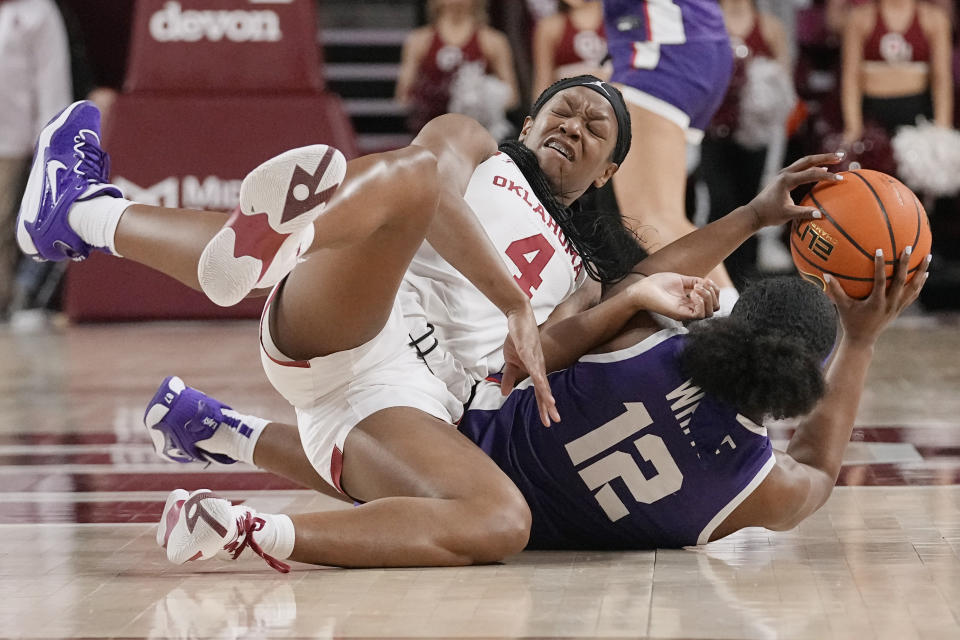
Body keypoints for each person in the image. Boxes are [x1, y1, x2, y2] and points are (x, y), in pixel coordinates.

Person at [16, 79, 834, 569]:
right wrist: (514, 301)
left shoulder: (584, 279)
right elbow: (433, 192)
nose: (572, 126)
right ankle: (116, 218)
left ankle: (248, 529)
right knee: (407, 177)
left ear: (608, 172)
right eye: (563, 109)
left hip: (407, 399)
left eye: (595, 129)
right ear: (527, 122)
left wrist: (754, 215)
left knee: (501, 521)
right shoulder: (474, 144)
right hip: (354, 312)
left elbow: (634, 286)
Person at [152, 251, 927, 556]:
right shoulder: (763, 486)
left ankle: (221, 429)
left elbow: (547, 340)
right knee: (466, 507)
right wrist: (861, 340)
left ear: (735, 314)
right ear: (803, 385)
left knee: (440, 488)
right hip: (437, 429)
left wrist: (626, 294)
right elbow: (822, 474)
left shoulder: (647, 336)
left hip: (453, 428)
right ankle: (252, 531)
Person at [601, 0, 738, 307]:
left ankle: (735, 329)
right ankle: (732, 319)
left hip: (664, 48)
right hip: (689, 41)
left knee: (652, 219)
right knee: (665, 217)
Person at [700, 0, 793, 286]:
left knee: (754, 205)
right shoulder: (708, 22)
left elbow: (784, 87)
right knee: (720, 203)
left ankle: (746, 282)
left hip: (755, 135)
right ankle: (718, 280)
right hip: (714, 130)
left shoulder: (769, 27)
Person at [0, 0, 71, 317]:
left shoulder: (39, 12)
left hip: (10, 139)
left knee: (4, 221)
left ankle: (6, 300)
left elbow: (51, 76)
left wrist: (50, 139)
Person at [395, 0, 520, 134]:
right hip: (429, 134)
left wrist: (484, 96)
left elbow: (513, 98)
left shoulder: (493, 41)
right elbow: (402, 95)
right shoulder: (419, 40)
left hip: (473, 135)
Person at [840, 0, 952, 145]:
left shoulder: (934, 19)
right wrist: (853, 127)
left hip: (917, 114)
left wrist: (942, 128)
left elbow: (942, 78)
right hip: (872, 115)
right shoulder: (860, 18)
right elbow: (851, 77)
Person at [531, 0, 608, 98]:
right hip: (572, 102)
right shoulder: (550, 27)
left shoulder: (618, 19)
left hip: (617, 100)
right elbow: (543, 80)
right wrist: (537, 112)